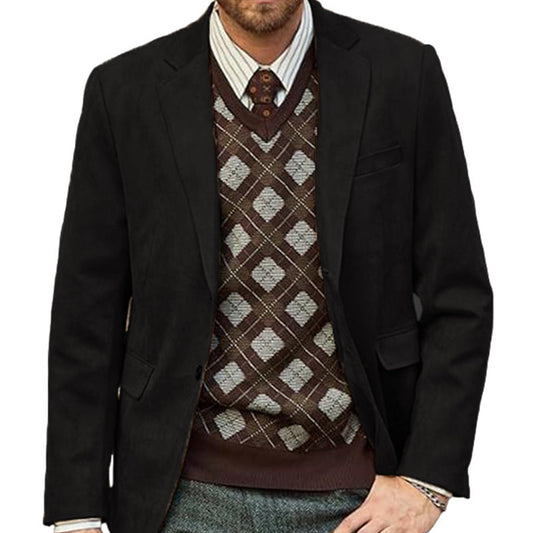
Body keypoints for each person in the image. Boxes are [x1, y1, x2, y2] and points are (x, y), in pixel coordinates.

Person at [43, 0, 494, 532]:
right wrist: (76, 512)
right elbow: (86, 315)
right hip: (180, 497)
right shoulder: (124, 91)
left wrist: (426, 481)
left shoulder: (402, 74)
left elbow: (458, 295)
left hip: (359, 495)